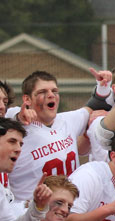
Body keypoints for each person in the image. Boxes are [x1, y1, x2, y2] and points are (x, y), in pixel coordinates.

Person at [9, 71, 92, 200]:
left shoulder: (65, 120)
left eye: (54, 91)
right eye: (42, 92)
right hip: (30, 213)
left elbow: (95, 106)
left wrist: (103, 86)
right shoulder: (15, 127)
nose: (51, 95)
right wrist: (18, 116)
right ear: (27, 99)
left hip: (67, 208)